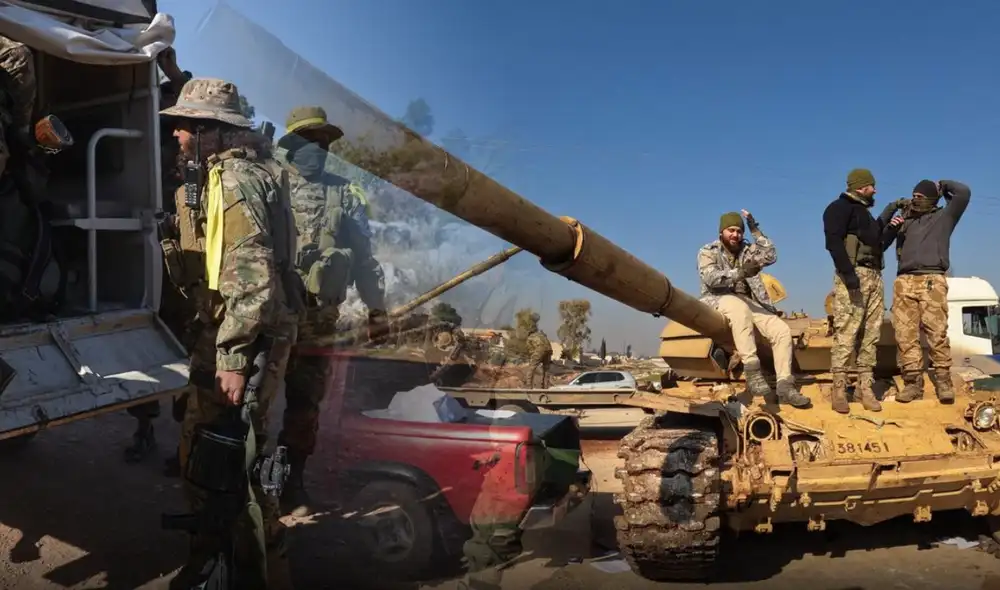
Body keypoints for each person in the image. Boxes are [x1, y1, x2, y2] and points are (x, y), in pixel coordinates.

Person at [158, 77, 301, 589]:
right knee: (216, 453)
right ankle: (216, 558)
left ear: (212, 131)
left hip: (243, 336)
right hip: (230, 329)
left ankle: (250, 569)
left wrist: (234, 360)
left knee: (230, 462)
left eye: (186, 126)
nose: (176, 133)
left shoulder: (235, 181)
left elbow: (252, 277)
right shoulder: (232, 174)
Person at [274, 105, 387, 516]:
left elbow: (364, 258)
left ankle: (289, 485)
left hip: (319, 322)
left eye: (325, 143)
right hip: (271, 316)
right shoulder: (270, 182)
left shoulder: (345, 193)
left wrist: (377, 310)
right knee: (250, 403)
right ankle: (242, 485)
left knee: (303, 409)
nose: (319, 149)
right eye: (310, 141)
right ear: (291, 143)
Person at [697, 210, 810, 408]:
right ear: (721, 231)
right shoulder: (708, 251)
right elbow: (710, 278)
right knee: (739, 310)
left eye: (739, 231)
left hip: (747, 300)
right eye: (731, 230)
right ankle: (752, 370)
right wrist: (740, 273)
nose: (735, 235)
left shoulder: (747, 250)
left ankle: (784, 384)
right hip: (717, 298)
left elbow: (770, 255)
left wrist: (755, 229)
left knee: (781, 330)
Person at [881, 179, 971, 404]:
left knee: (936, 332)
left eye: (920, 196)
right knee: (905, 335)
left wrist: (943, 184)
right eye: (913, 196)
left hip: (932, 279)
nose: (915, 199)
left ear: (931, 198)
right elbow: (880, 242)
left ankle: (943, 382)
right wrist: (893, 222)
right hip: (904, 280)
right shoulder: (905, 221)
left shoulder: (944, 217)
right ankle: (913, 384)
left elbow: (963, 193)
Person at [821, 168, 902, 414]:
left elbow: (877, 244)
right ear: (860, 187)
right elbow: (833, 243)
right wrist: (849, 276)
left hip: (875, 277)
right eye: (871, 186)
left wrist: (892, 228)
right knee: (846, 332)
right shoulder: (838, 208)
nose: (875, 190)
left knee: (871, 334)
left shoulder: (865, 215)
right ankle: (838, 389)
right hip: (853, 276)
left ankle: (864, 388)